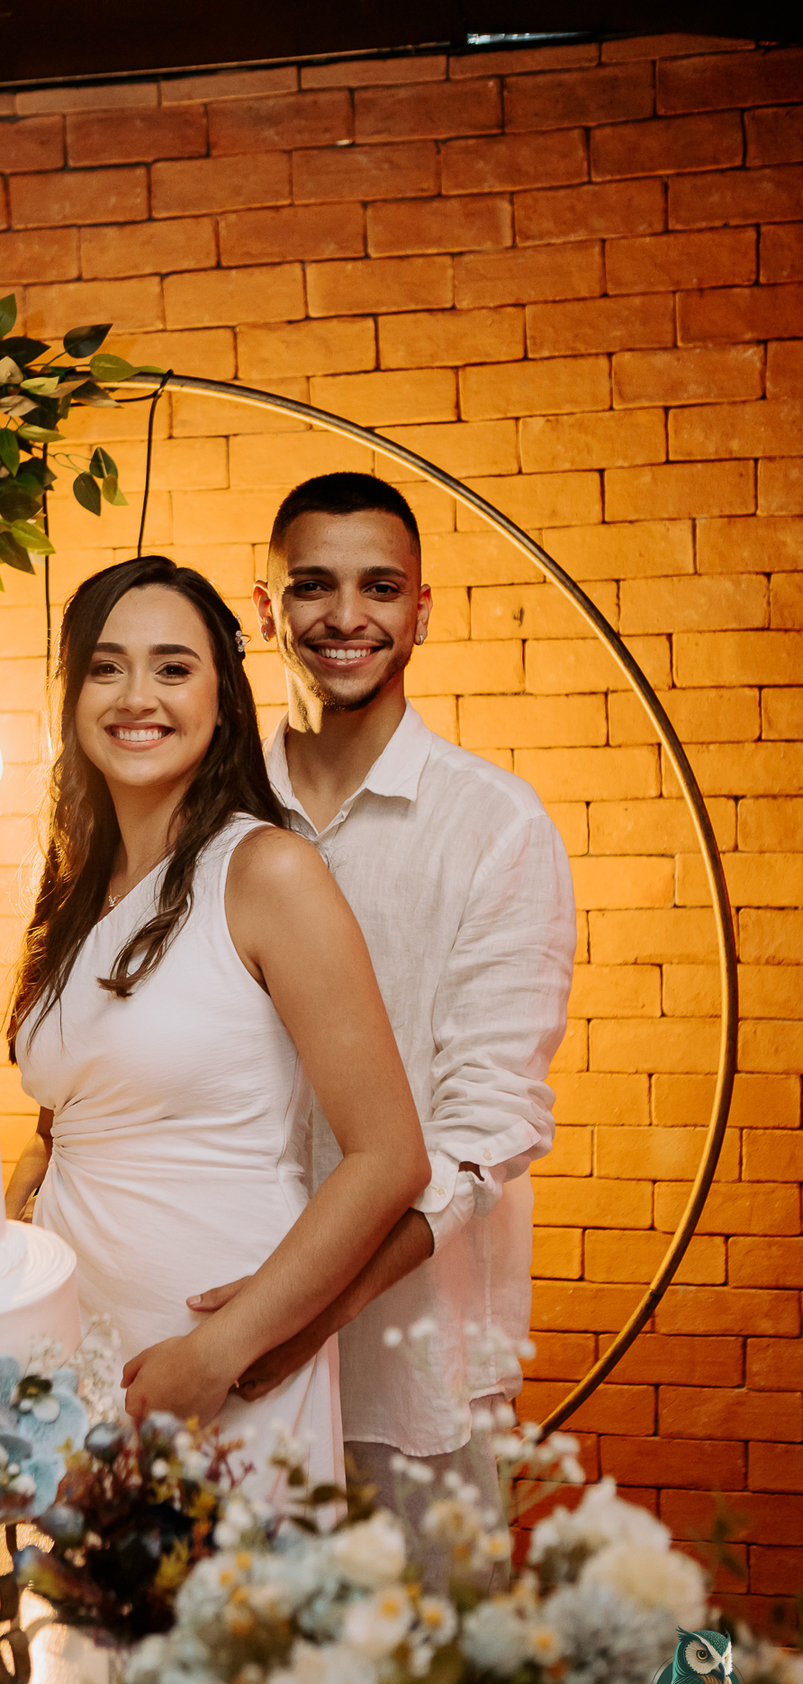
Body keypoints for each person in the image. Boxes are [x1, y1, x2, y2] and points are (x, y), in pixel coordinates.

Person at [189, 473, 577, 1526]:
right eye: (313, 585)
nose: (346, 616)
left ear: (421, 612)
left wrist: (311, 1313)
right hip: (206, 1327)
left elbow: (485, 1128)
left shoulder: (496, 827)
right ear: (265, 608)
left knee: (424, 1633)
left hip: (412, 1363)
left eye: (381, 587)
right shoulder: (204, 816)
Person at [4, 554, 431, 1495]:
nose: (136, 696)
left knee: (224, 1589)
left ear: (221, 697)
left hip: (216, 1362)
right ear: (72, 696)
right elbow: (91, 1089)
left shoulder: (268, 873)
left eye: (173, 667)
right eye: (105, 667)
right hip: (75, 1345)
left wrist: (220, 1350)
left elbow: (390, 1158)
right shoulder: (74, 885)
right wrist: (31, 1178)